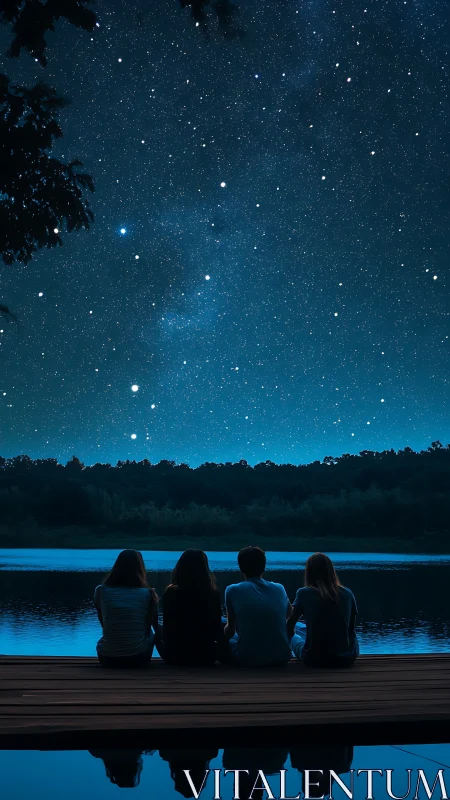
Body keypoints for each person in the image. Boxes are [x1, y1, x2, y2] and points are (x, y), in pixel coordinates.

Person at [222, 546, 292, 667]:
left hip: (248, 659)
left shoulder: (232, 590)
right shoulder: (279, 588)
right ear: (264, 567)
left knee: (222, 623)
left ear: (240, 568)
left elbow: (230, 630)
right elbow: (289, 615)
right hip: (282, 657)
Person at [288, 552, 358, 667]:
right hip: (346, 659)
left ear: (309, 572)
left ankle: (286, 653)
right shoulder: (347, 593)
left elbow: (289, 626)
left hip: (314, 659)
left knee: (294, 632)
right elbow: (351, 629)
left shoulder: (304, 593)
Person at [156, 549, 224, 666]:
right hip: (206, 657)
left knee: (157, 627)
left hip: (174, 657)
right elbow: (216, 628)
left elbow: (167, 626)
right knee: (224, 624)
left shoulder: (171, 593)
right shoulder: (213, 594)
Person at [94, 549, 158, 667]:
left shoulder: (101, 590)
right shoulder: (147, 594)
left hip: (106, 657)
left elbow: (103, 621)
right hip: (138, 657)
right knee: (151, 631)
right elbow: (148, 625)